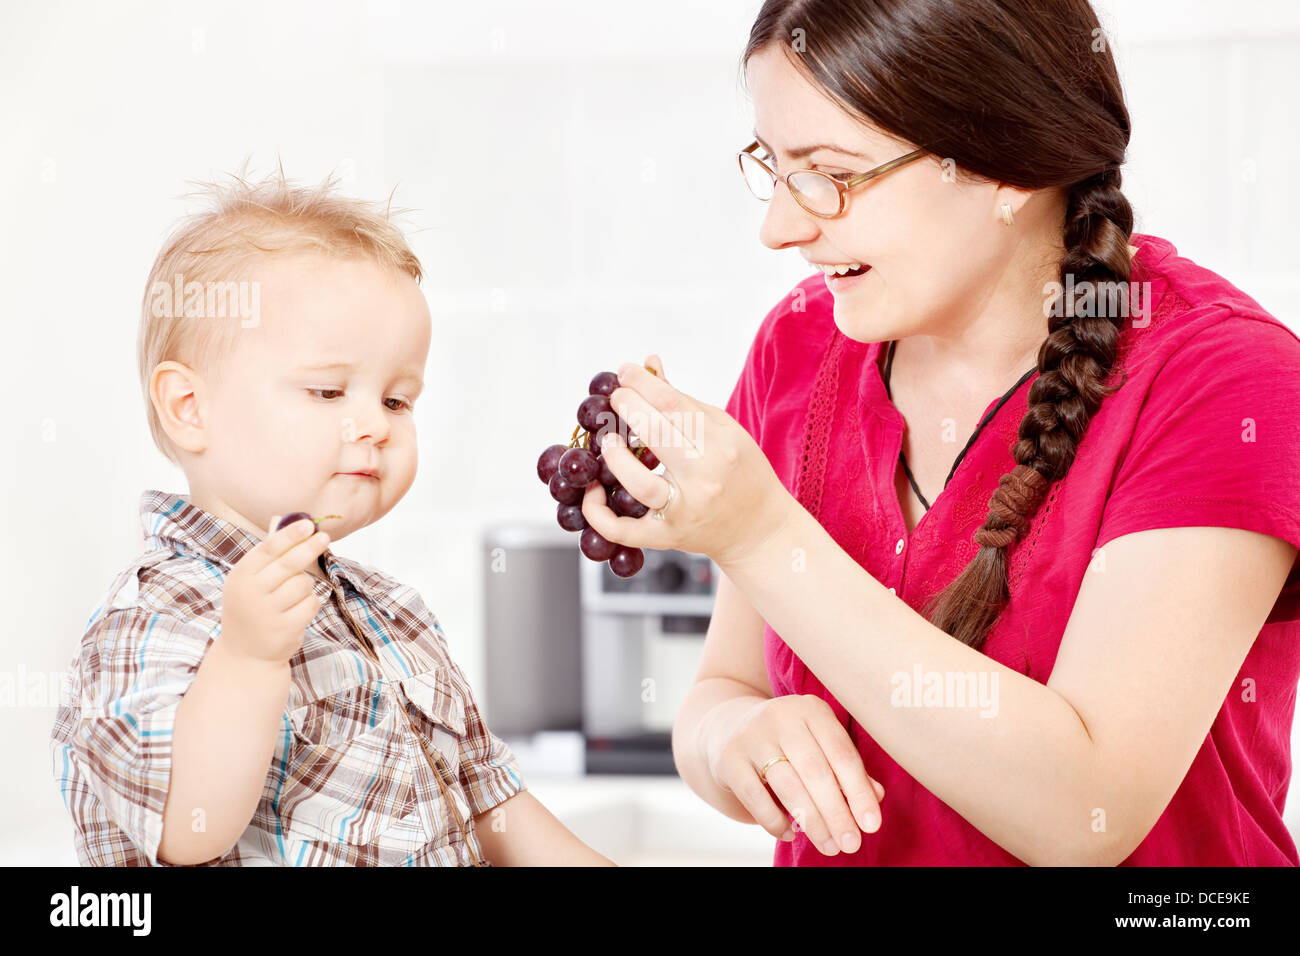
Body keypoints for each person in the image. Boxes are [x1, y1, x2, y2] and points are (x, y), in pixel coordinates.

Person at [582, 0, 1300, 866]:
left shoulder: (1224, 379)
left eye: (831, 174)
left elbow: (1087, 815)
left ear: (1008, 168)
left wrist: (760, 535)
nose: (780, 227)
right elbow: (720, 691)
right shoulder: (801, 343)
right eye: (772, 167)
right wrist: (737, 737)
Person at [50, 169, 612, 866]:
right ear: (190, 408)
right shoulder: (150, 616)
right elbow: (185, 827)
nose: (373, 426)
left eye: (398, 401)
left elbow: (492, 807)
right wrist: (249, 658)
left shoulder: (394, 615)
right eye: (327, 390)